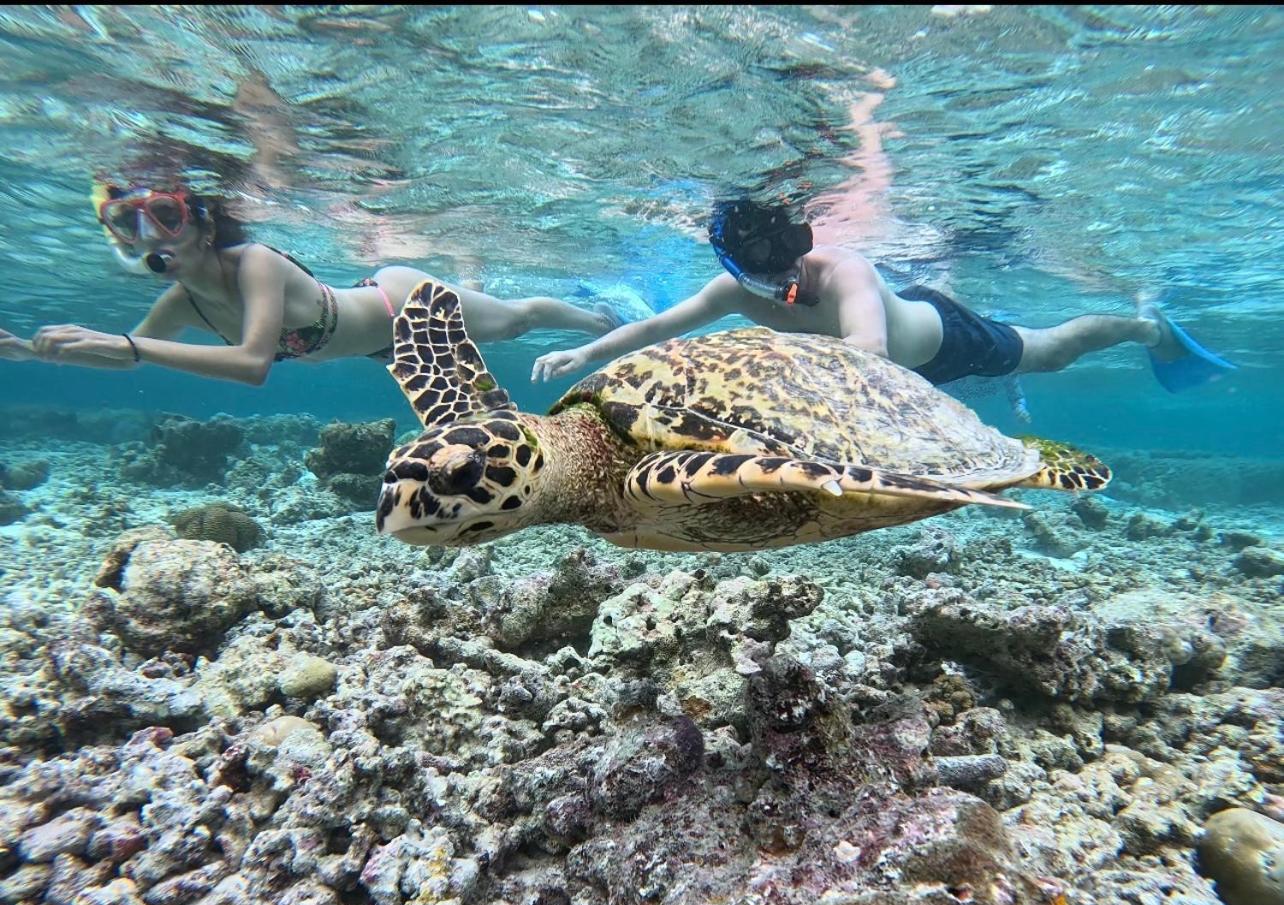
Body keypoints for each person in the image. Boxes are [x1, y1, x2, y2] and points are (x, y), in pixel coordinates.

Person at [530, 198, 1234, 410]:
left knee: (1051, 351)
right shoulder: (732, 290)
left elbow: (866, 355)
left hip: (944, 342)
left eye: (787, 266)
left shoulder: (844, 272)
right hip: (900, 358)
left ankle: (1146, 325)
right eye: (762, 274)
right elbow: (657, 326)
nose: (783, 282)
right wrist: (586, 351)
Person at [0, 182, 622, 387]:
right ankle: (572, 311)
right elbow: (127, 356)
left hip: (397, 300)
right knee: (502, 328)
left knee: (515, 321)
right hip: (384, 347)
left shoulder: (254, 263)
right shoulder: (179, 301)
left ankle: (602, 322)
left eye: (166, 213)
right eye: (125, 222)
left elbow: (251, 364)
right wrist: (34, 349)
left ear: (203, 222)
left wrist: (131, 347)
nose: (148, 232)